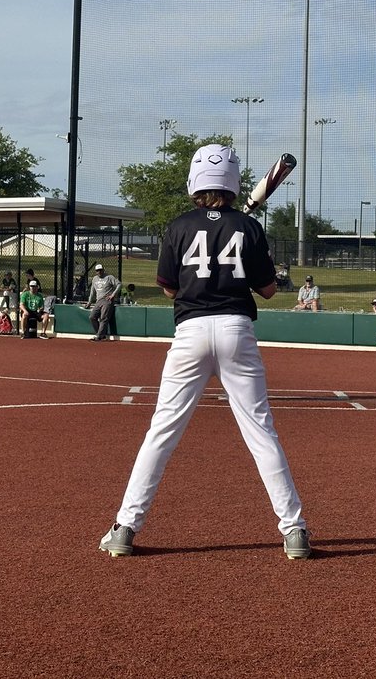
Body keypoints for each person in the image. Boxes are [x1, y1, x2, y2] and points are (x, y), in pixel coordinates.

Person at [98, 144, 311, 560]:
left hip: (190, 331)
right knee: (261, 432)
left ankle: (125, 527)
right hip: (236, 329)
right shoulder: (249, 228)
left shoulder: (177, 227)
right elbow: (268, 290)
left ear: (195, 181)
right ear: (232, 183)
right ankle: (295, 531)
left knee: (162, 431)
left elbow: (169, 287)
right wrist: (258, 260)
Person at [86, 263, 121, 341]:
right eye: (97, 270)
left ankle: (99, 336)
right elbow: (92, 291)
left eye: (101, 270)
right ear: (95, 271)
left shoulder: (109, 277)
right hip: (98, 301)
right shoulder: (94, 279)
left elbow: (119, 284)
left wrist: (113, 295)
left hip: (107, 300)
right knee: (92, 317)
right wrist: (89, 302)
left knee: (103, 318)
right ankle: (101, 334)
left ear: (103, 270)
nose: (99, 272)